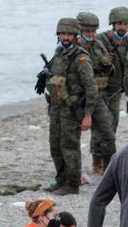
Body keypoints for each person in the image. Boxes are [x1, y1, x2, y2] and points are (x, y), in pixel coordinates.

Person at [44, 17, 98, 195]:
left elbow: (91, 87)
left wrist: (88, 114)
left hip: (72, 110)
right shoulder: (58, 53)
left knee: (69, 146)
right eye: (63, 34)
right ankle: (61, 179)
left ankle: (72, 183)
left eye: (69, 34)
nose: (65, 37)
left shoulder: (81, 58)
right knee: (55, 145)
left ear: (76, 36)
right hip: (57, 108)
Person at [76, 12, 117, 176]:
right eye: (87, 32)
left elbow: (110, 71)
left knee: (107, 132)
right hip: (77, 97)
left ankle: (109, 168)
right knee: (71, 136)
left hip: (98, 95)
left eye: (93, 32)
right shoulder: (70, 48)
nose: (91, 35)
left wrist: (108, 64)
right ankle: (76, 171)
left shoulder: (98, 45)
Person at [96, 7, 128, 135]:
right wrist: (103, 60)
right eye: (119, 24)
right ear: (113, 24)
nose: (122, 27)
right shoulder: (101, 39)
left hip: (117, 90)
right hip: (102, 89)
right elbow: (89, 58)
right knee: (101, 125)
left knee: (113, 123)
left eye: (126, 24)